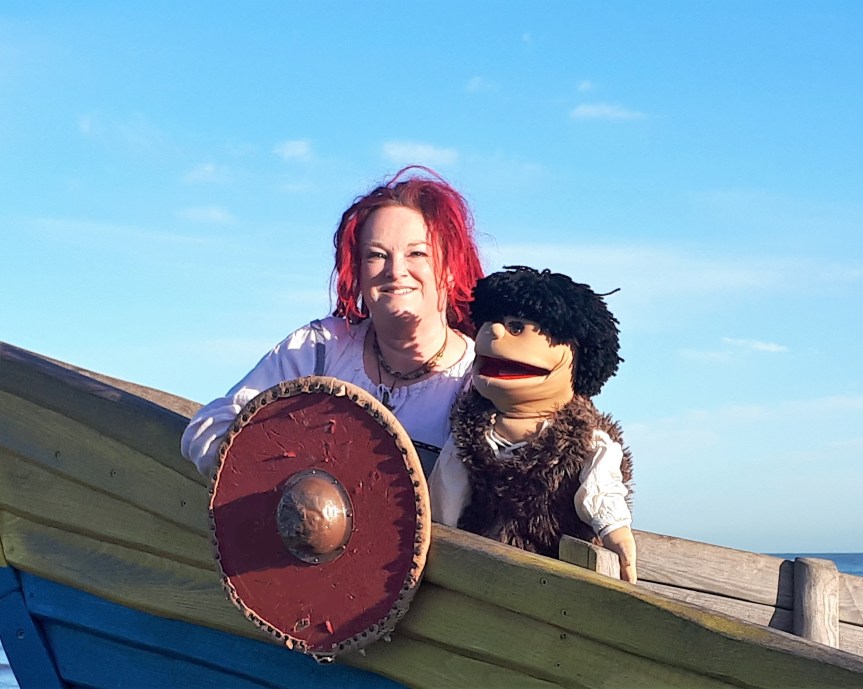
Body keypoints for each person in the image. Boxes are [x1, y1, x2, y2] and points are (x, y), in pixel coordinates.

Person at [181, 166, 485, 478]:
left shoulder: (479, 379)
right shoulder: (319, 350)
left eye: (417, 254)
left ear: (450, 267)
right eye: (376, 255)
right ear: (358, 271)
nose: (395, 271)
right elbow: (211, 428)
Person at [429, 266, 638, 582]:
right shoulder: (469, 433)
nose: (494, 331)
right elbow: (445, 497)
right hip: (476, 568)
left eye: (517, 327)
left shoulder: (585, 439)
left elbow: (602, 489)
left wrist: (615, 531)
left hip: (555, 576)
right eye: (492, 321)